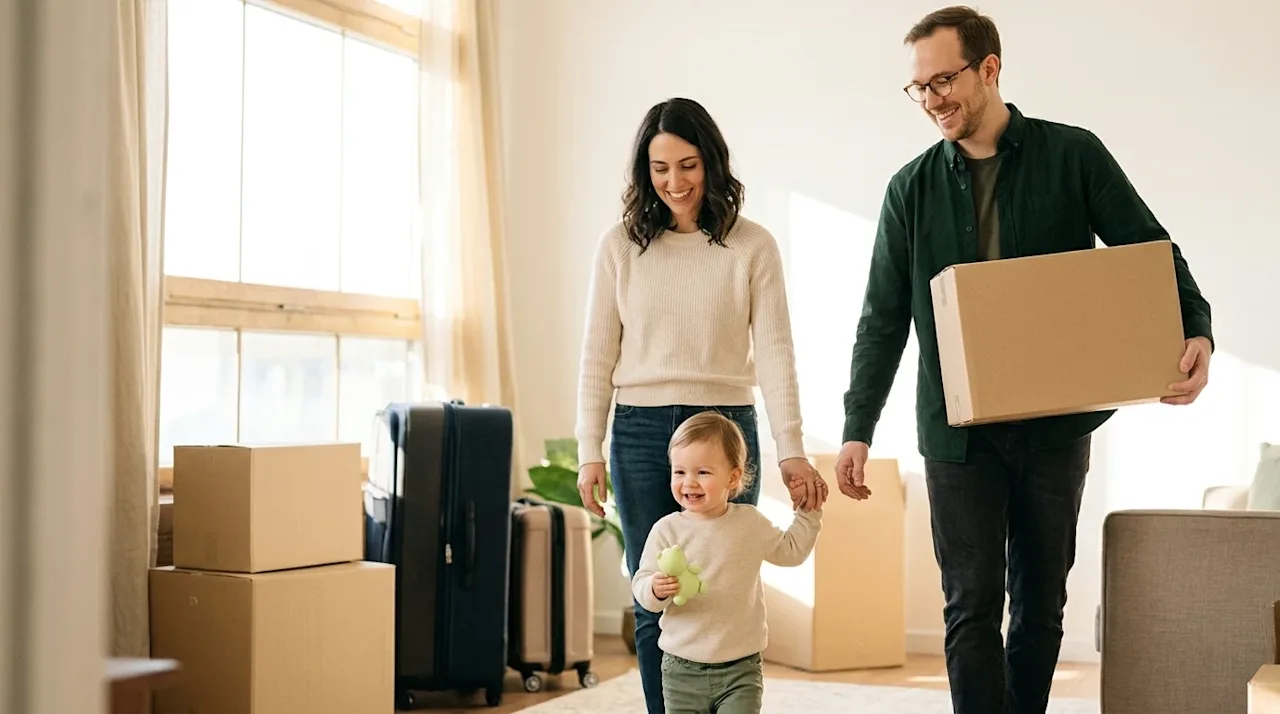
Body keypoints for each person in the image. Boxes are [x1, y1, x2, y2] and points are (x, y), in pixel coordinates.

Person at [833, 6, 1213, 714]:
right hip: (956, 433)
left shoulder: (1074, 155)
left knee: (1040, 603)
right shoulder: (908, 190)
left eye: (943, 80)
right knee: (969, 608)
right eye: (918, 87)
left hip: (1055, 426)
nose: (932, 99)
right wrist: (858, 426)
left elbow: (1149, 249)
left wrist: (1197, 329)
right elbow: (881, 320)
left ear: (989, 69)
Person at [574, 96, 828, 714]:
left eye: (687, 165)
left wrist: (791, 449)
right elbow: (596, 356)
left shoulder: (751, 245)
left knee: (725, 581)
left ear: (711, 163)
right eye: (660, 169)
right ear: (644, 174)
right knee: (652, 589)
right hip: (639, 432)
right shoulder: (619, 248)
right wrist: (589, 451)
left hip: (725, 428)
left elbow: (775, 353)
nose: (675, 183)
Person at [631, 411, 822, 714]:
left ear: (733, 477)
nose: (688, 482)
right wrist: (654, 589)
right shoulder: (666, 530)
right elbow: (642, 585)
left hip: (740, 669)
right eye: (679, 472)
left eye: (702, 472)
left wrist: (809, 513)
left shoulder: (749, 523)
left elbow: (791, 551)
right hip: (681, 669)